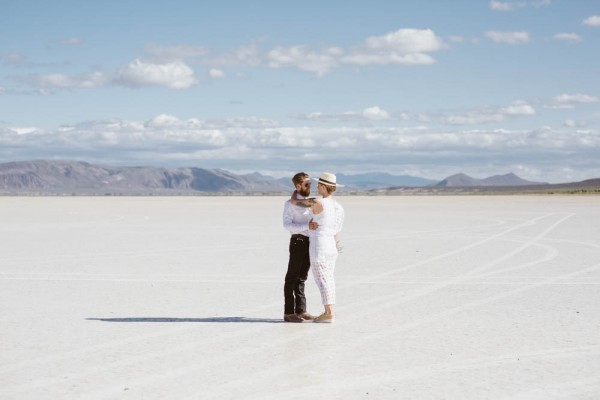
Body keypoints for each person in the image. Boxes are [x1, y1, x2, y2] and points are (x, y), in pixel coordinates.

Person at [291, 172, 345, 323]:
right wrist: (337, 247)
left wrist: (295, 192)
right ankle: (329, 311)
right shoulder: (338, 207)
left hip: (319, 245)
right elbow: (337, 231)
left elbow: (295, 202)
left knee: (322, 279)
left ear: (322, 186)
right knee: (329, 278)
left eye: (318, 185)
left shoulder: (317, 202)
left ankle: (329, 312)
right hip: (332, 246)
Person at [282, 172, 318, 323]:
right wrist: (306, 226)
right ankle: (289, 313)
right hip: (298, 242)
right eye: (307, 184)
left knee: (302, 277)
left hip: (311, 242)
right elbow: (287, 224)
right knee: (292, 277)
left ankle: (301, 310)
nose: (310, 186)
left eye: (310, 184)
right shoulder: (290, 204)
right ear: (298, 186)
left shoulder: (311, 202)